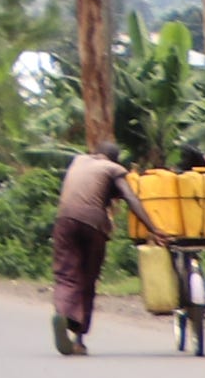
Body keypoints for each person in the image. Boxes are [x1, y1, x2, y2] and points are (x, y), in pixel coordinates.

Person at [51, 140, 165, 355]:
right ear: (115, 158)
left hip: (64, 219)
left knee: (66, 275)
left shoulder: (79, 160)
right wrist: (153, 228)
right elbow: (130, 197)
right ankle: (78, 339)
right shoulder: (114, 169)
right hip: (93, 224)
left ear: (96, 153)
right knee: (88, 278)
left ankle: (62, 312)